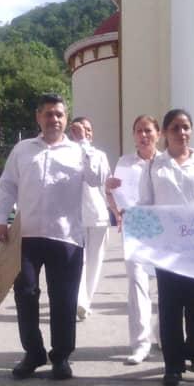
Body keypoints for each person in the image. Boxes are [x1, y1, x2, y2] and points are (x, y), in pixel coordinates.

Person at [0, 93, 107, 381]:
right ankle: (33, 353)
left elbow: (97, 179)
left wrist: (86, 145)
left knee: (64, 300)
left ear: (66, 119)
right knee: (25, 294)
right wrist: (1, 220)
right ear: (38, 117)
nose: (53, 119)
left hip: (66, 237)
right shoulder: (22, 150)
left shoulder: (80, 152)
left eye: (58, 114)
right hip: (27, 236)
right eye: (47, 114)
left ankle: (61, 357)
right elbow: (7, 186)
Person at [139, 108, 194, 386]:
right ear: (164, 132)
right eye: (175, 127)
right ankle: (173, 364)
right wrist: (135, 221)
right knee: (169, 304)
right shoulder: (155, 165)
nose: (182, 133)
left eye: (186, 127)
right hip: (167, 247)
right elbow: (145, 202)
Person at [106, 114, 161, 365]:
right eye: (139, 131)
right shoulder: (124, 163)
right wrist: (112, 197)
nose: (143, 135)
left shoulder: (166, 163)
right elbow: (115, 195)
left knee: (166, 285)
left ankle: (162, 333)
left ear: (157, 134)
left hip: (163, 227)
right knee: (138, 284)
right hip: (136, 224)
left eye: (148, 130)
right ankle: (140, 343)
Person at [70, 116, 112, 321]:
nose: (84, 132)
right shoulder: (67, 152)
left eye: (88, 129)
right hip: (74, 217)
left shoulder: (99, 155)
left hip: (98, 216)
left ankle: (85, 301)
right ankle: (80, 301)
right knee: (79, 262)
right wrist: (79, 144)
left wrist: (116, 211)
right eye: (80, 129)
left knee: (94, 263)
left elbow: (103, 185)